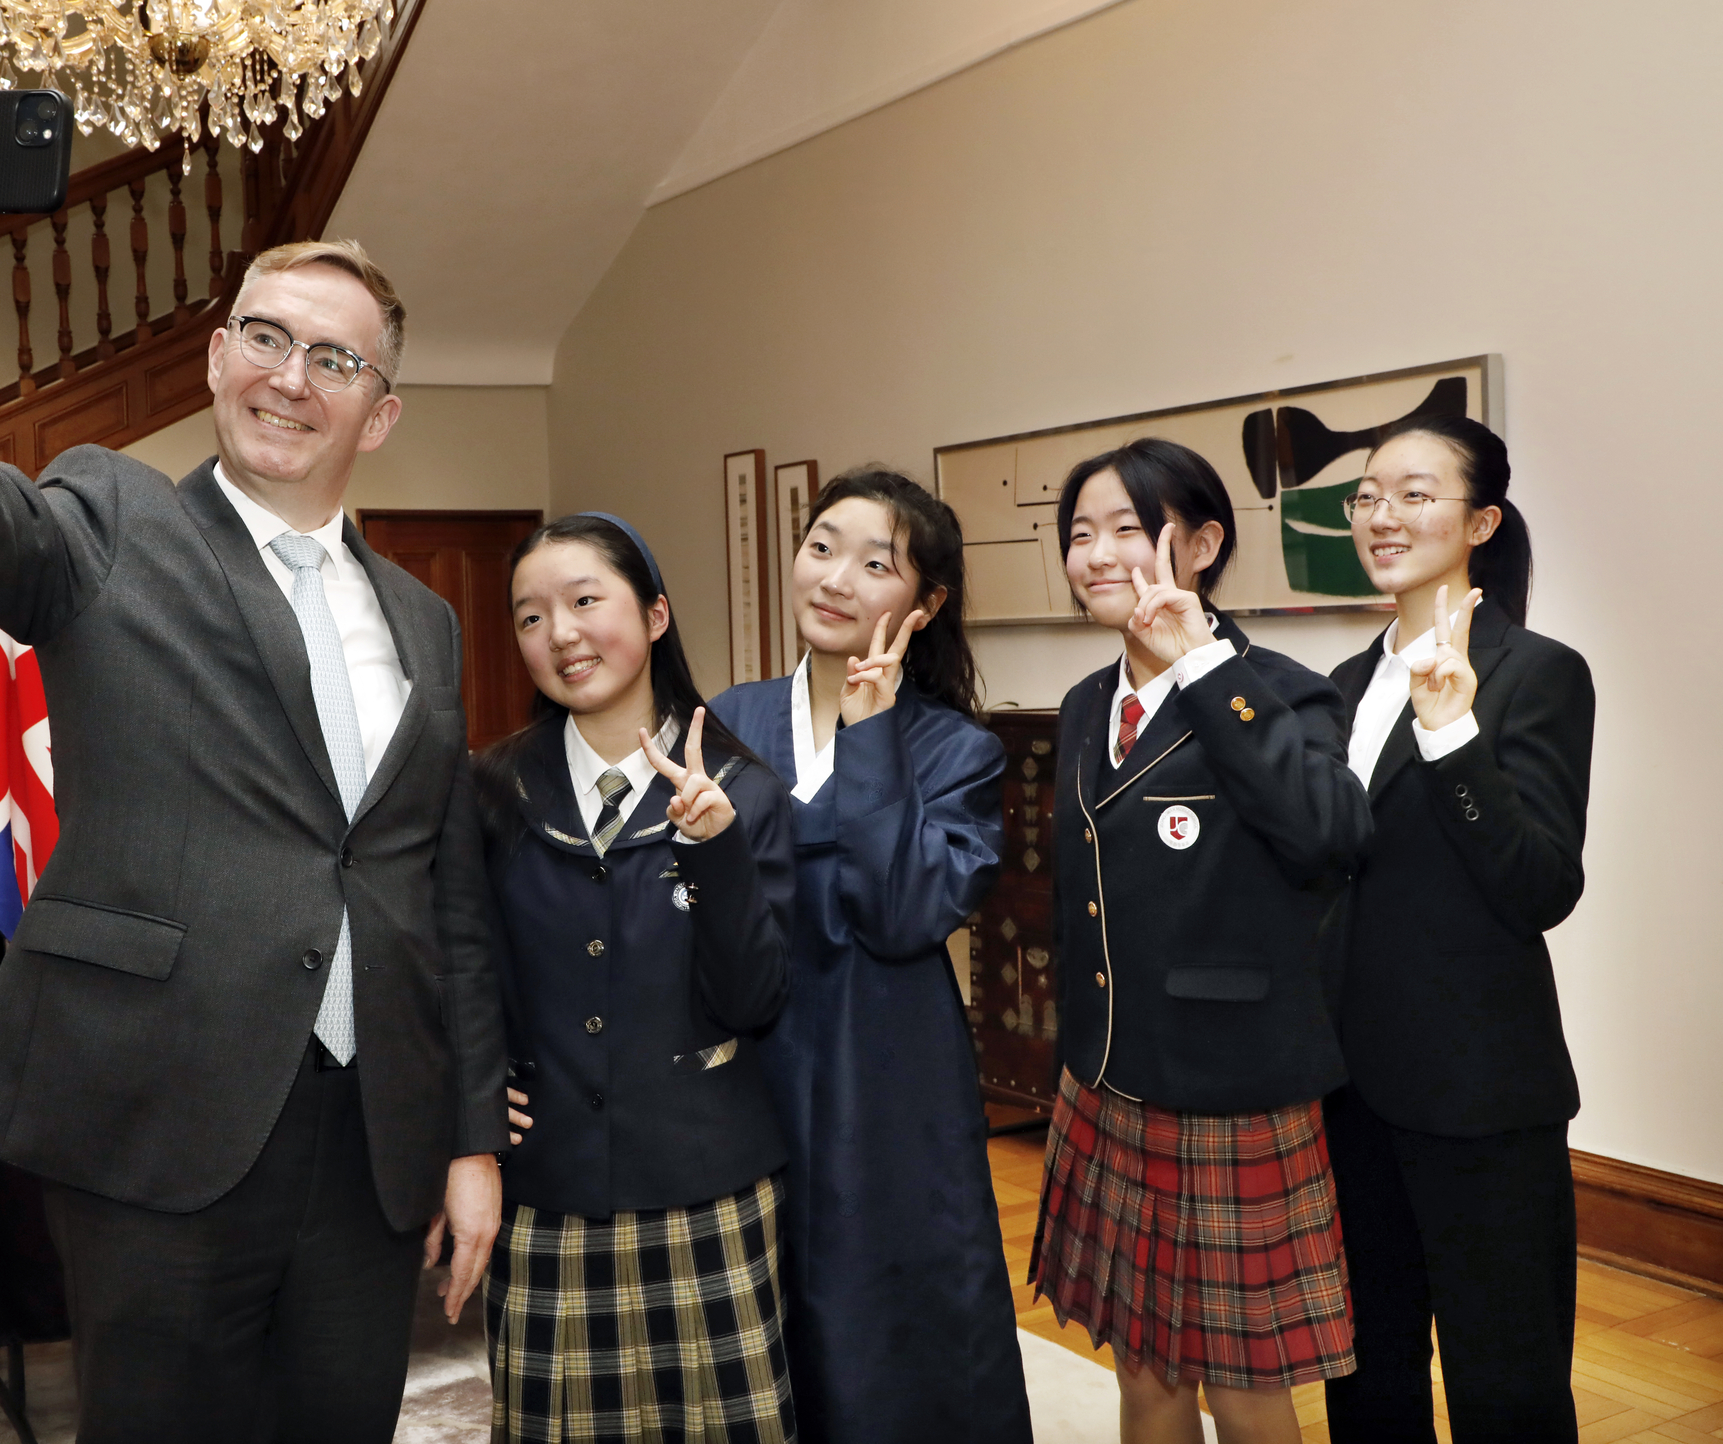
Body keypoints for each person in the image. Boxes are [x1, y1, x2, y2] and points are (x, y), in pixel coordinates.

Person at [0, 77, 507, 1443]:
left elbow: (445, 904)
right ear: (215, 357)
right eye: (266, 337)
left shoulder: (425, 622)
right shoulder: (110, 520)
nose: (289, 376)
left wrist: (469, 1137)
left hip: (374, 1143)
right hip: (162, 1126)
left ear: (378, 413)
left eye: (334, 359)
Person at [1027, 439, 1370, 1444]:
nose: (1096, 554)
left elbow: (1327, 835)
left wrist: (1201, 666)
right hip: (1105, 1075)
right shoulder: (1086, 703)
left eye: (1127, 529)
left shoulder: (1280, 688)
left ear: (1204, 543)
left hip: (1228, 1089)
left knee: (1248, 1392)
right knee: (1142, 1373)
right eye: (1079, 533)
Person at [706, 467, 1032, 1444]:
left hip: (885, 1068)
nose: (835, 577)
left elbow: (900, 915)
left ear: (924, 605)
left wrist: (873, 733)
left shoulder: (956, 750)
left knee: (890, 1312)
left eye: (875, 563)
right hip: (748, 1058)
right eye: (820, 547)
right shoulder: (729, 719)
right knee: (756, 1310)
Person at [473, 513, 798, 1442]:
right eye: (530, 617)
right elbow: (459, 967)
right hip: (547, 1186)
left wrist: (715, 849)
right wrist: (472, 1092)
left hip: (706, 1182)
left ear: (655, 616)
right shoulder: (490, 790)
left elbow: (754, 1001)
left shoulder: (742, 788)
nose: (560, 634)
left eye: (585, 601)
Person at [1322, 415, 1592, 1444]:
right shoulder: (1338, 688)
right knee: (1366, 1377)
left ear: (1480, 522)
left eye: (1414, 493)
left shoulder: (1537, 671)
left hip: (1480, 1096)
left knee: (1506, 1388)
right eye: (1366, 496)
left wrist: (1451, 734)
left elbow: (1539, 886)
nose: (1382, 515)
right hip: (1345, 1092)